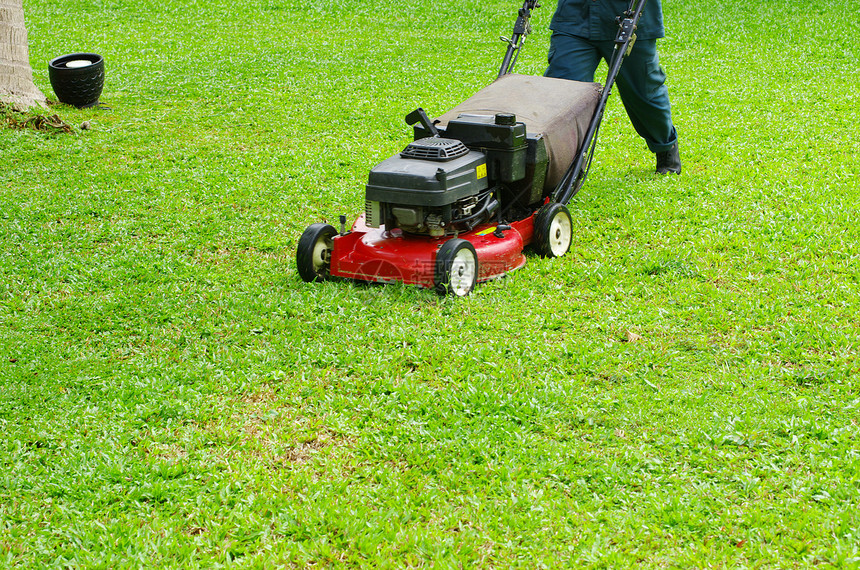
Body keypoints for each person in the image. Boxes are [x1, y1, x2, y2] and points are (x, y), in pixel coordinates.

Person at [545, 0, 681, 174]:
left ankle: (666, 146)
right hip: (576, 17)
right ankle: (562, 160)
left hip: (633, 17)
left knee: (645, 93)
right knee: (563, 89)